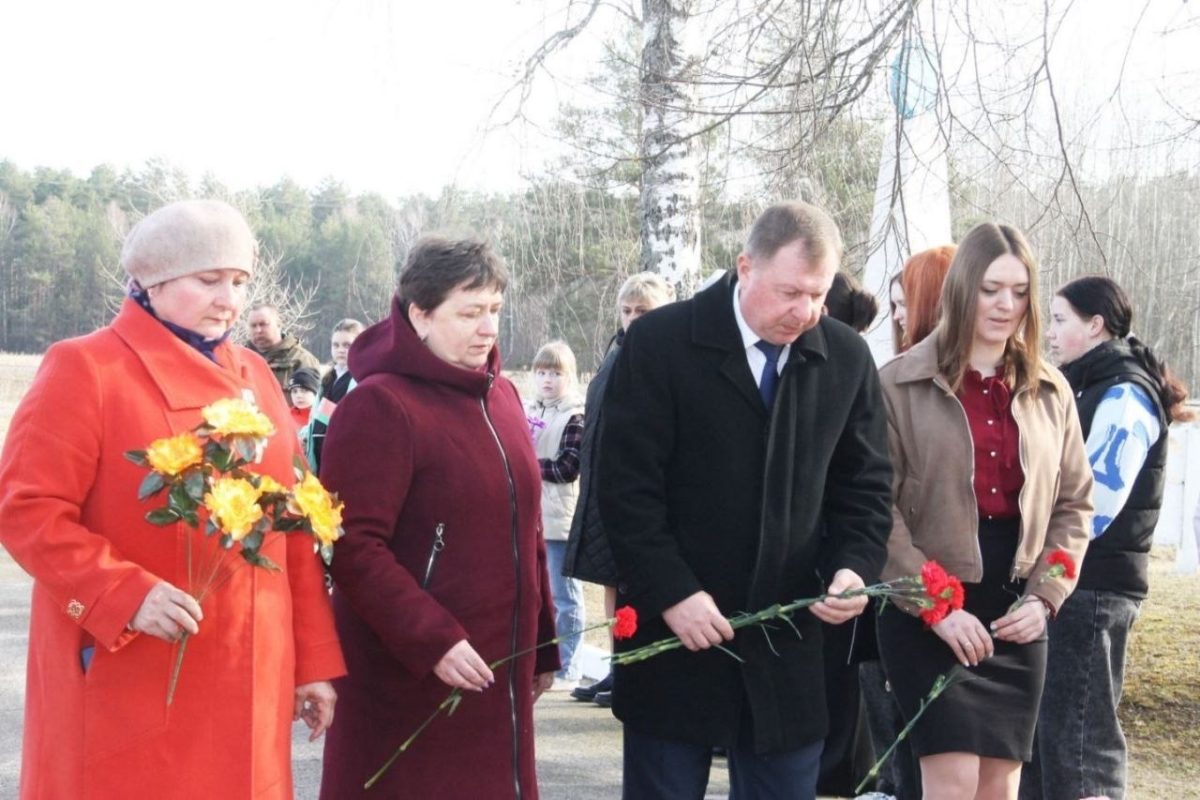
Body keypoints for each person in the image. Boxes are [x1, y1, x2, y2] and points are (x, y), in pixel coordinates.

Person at [0, 199, 346, 799]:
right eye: (208, 280)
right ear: (152, 282)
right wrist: (122, 594)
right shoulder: (87, 367)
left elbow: (291, 525)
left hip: (252, 675)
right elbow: (26, 510)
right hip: (135, 665)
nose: (229, 300)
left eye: (239, 281)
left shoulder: (257, 376)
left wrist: (311, 660)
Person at [599, 201, 893, 800]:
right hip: (676, 641)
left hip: (789, 645)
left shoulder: (845, 357)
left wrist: (853, 568)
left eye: (818, 295)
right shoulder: (660, 343)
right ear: (745, 268)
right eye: (790, 293)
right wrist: (672, 593)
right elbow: (626, 490)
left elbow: (865, 489)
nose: (804, 312)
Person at [317, 236, 560, 799]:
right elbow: (351, 545)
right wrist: (433, 640)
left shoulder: (503, 396)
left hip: (500, 667)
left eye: (495, 310)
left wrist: (543, 643)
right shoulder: (378, 405)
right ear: (419, 315)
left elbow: (526, 527)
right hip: (411, 676)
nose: (488, 328)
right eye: (469, 313)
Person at [876, 222, 1093, 800]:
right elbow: (877, 511)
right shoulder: (897, 383)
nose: (1005, 305)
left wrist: (1046, 597)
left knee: (998, 787)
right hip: (926, 609)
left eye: (1019, 291)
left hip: (1018, 612)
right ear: (961, 288)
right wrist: (936, 607)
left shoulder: (1051, 390)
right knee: (952, 783)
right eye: (991, 289)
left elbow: (1075, 506)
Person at [1022, 276, 1194, 800]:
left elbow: (1095, 505)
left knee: (1080, 743)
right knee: (1048, 739)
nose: (1050, 332)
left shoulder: (1124, 394)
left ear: (1095, 324)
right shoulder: (1086, 385)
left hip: (1093, 586)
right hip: (1071, 581)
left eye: (1060, 320)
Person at [860, 244, 955, 799]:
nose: (897, 317)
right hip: (902, 580)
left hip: (957, 583)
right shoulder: (893, 382)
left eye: (905, 304)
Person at [563, 271, 676, 707]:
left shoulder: (665, 356)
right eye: (626, 310)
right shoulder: (618, 350)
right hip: (603, 487)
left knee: (637, 586)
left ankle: (636, 672)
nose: (632, 318)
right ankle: (618, 667)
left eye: (642, 310)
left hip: (636, 491)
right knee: (612, 584)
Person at [526, 340, 587, 688]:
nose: (547, 380)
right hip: (532, 516)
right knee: (538, 594)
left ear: (569, 376)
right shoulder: (529, 409)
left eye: (555, 373)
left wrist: (527, 465)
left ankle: (569, 664)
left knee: (565, 596)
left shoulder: (574, 415)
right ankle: (544, 661)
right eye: (542, 372)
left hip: (560, 517)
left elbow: (567, 467)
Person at [306, 318, 364, 473]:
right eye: (336, 345)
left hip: (345, 455)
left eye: (347, 345)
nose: (340, 350)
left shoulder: (361, 379)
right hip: (319, 451)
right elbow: (321, 417)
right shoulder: (328, 378)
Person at [246, 302, 320, 392]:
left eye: (263, 324)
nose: (258, 330)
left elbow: (310, 398)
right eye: (253, 326)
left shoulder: (301, 360)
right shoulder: (240, 359)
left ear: (279, 324)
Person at [287, 366, 321, 434]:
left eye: (304, 391)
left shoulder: (322, 418)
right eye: (294, 391)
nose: (299, 396)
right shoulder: (285, 416)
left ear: (315, 393)